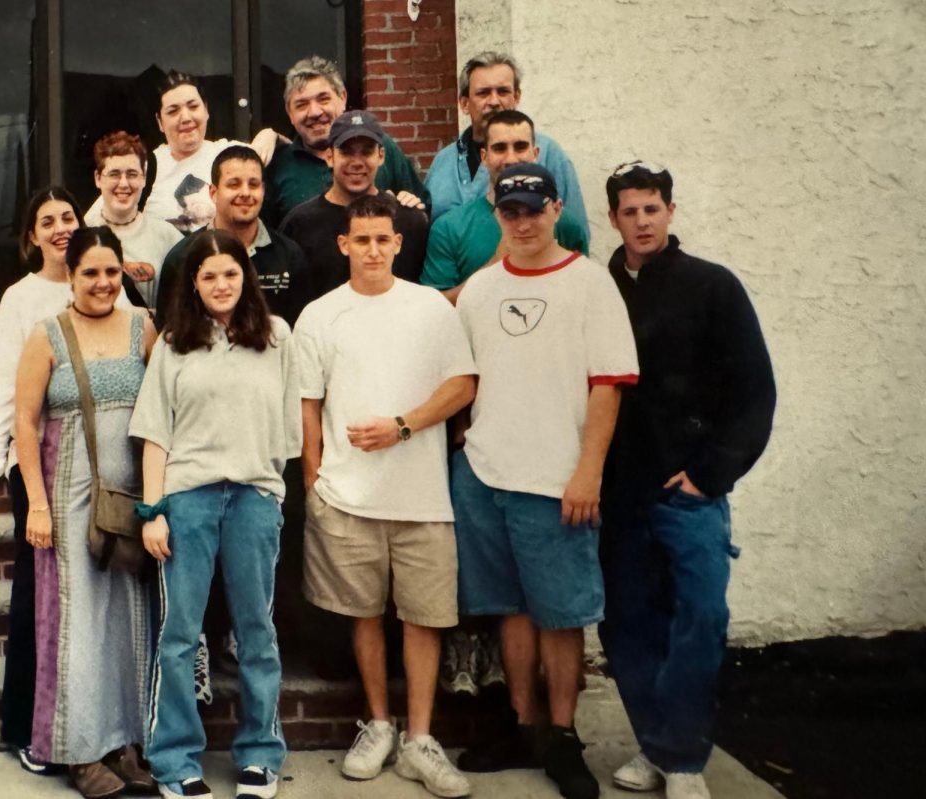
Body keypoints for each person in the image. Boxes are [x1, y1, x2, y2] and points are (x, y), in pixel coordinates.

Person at [451, 163, 638, 799]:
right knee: (510, 608)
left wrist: (588, 471)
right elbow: (466, 377)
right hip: (485, 473)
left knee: (560, 614)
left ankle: (562, 736)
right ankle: (522, 725)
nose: (524, 221)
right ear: (496, 214)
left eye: (534, 208)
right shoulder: (478, 289)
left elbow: (608, 384)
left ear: (555, 208)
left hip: (558, 478)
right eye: (511, 211)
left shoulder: (589, 285)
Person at [599, 162, 776, 799]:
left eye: (652, 209)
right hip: (618, 495)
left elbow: (755, 393)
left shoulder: (713, 287)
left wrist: (710, 473)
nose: (642, 221)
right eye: (629, 211)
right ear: (613, 217)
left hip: (688, 493)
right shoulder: (599, 289)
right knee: (628, 625)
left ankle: (682, 759)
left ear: (670, 211)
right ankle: (658, 746)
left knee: (699, 617)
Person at [295, 193, 476, 798]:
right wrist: (315, 482)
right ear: (343, 245)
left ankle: (420, 741)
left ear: (399, 244)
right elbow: (308, 404)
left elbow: (462, 384)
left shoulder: (429, 308)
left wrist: (404, 425)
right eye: (361, 240)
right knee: (365, 616)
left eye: (383, 239)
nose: (373, 249)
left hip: (423, 496)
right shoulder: (320, 315)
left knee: (423, 619)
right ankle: (378, 725)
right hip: (347, 495)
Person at [131, 230, 301, 799]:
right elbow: (154, 436)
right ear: (193, 285)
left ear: (244, 276)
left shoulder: (276, 337)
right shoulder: (175, 344)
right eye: (208, 277)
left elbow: (287, 425)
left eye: (230, 273)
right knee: (180, 633)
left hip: (253, 497)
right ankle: (175, 758)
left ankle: (259, 754)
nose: (221, 285)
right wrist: (154, 512)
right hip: (188, 501)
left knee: (257, 632)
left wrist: (273, 493)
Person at [0, 187, 122, 775]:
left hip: (97, 469)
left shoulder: (102, 281)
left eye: (68, 217)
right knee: (39, 598)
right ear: (30, 236)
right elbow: (4, 386)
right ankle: (31, 728)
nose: (59, 228)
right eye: (47, 221)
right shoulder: (20, 298)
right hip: (38, 466)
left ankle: (94, 722)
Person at [14, 226, 159, 798]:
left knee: (129, 615)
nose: (102, 283)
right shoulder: (48, 336)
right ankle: (80, 751)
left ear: (123, 271)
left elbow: (169, 407)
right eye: (89, 273)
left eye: (110, 271)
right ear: (71, 276)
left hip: (131, 500)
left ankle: (126, 742)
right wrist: (38, 505)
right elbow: (25, 423)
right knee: (78, 621)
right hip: (69, 493)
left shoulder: (145, 329)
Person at [423, 110, 589, 304]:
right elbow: (435, 309)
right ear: (484, 156)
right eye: (500, 148)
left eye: (520, 147)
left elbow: (584, 297)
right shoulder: (450, 228)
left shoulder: (563, 223)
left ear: (535, 154)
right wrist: (496, 264)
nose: (511, 159)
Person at [86, 71, 281, 233]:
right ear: (160, 122)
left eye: (193, 106)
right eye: (173, 111)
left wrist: (271, 135)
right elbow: (91, 223)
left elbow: (295, 147)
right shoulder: (142, 167)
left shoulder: (230, 154)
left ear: (206, 111)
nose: (185, 117)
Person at [424, 50, 589, 238]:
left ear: (517, 97)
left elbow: (576, 234)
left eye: (503, 91)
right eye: (483, 93)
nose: (494, 101)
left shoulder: (549, 154)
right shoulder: (442, 162)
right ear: (464, 103)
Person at [155, 145, 311, 330]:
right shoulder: (182, 258)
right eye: (234, 184)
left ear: (263, 190)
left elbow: (301, 333)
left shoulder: (289, 256)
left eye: (253, 184)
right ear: (214, 192)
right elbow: (170, 335)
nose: (245, 193)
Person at [263, 55, 428, 226]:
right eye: (301, 104)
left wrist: (410, 203)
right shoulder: (278, 164)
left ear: (342, 98)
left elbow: (422, 215)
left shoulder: (381, 146)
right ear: (289, 113)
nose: (314, 112)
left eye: (323, 99)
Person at [279, 110, 429, 298]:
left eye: (366, 151)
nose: (357, 162)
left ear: (381, 156)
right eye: (347, 151)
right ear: (329, 157)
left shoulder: (409, 221)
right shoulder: (299, 224)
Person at [85, 130, 183, 310]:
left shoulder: (168, 237)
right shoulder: (83, 235)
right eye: (114, 174)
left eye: (131, 174)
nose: (123, 184)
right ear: (98, 179)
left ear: (144, 179)